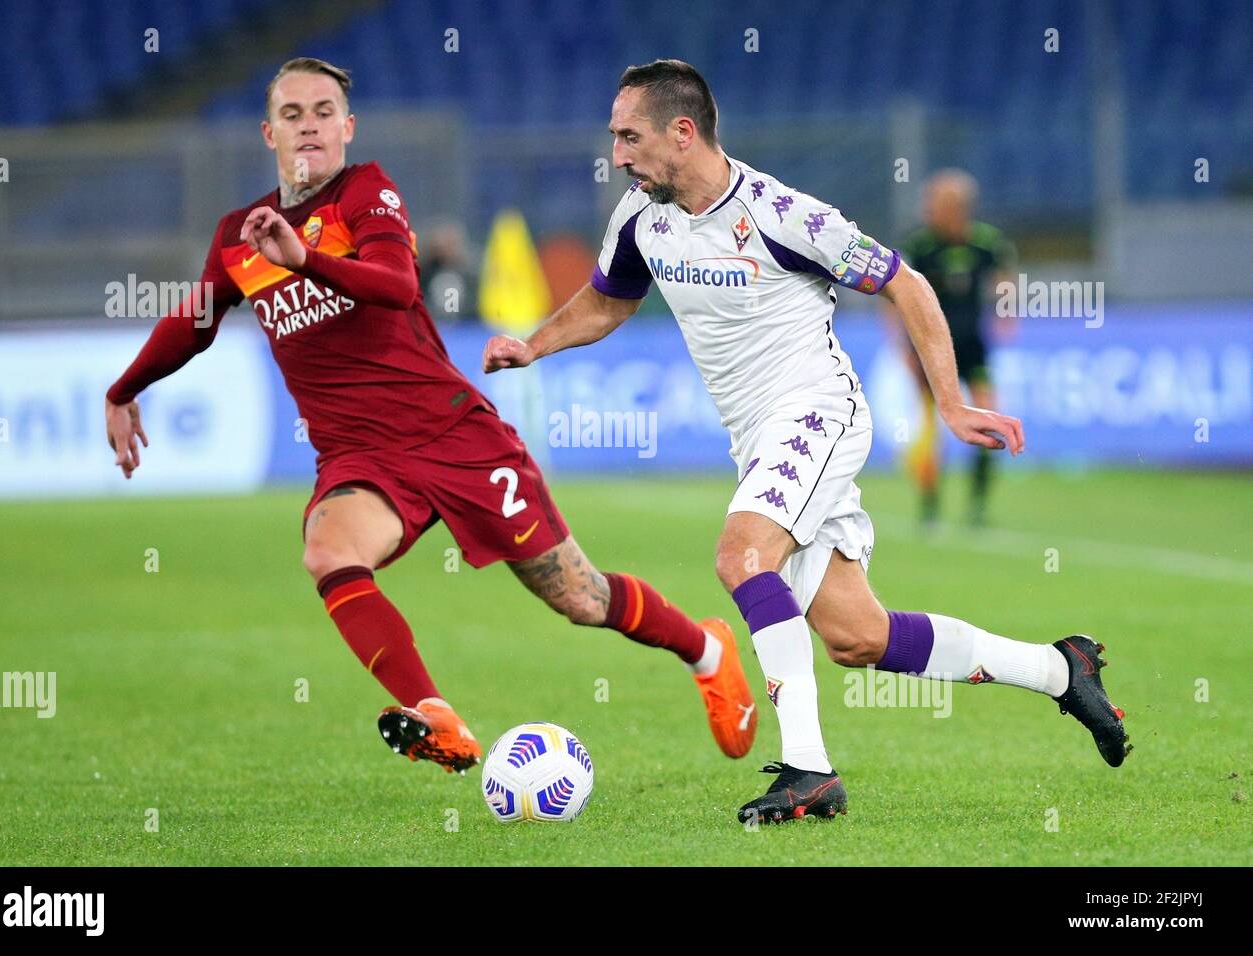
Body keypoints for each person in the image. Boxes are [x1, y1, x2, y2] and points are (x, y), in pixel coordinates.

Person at [484, 59, 1130, 824]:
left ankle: (808, 772)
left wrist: (950, 404)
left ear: (682, 133)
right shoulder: (639, 218)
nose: (618, 154)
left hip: (817, 412)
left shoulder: (783, 213)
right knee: (858, 637)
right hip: (755, 438)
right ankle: (1061, 669)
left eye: (630, 136)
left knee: (741, 555)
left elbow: (906, 282)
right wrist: (534, 344)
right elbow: (607, 301)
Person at [104, 57, 757, 776]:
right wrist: (124, 389)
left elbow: (395, 283)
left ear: (346, 127)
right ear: (270, 133)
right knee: (328, 550)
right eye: (293, 115)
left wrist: (306, 261)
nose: (310, 126)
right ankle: (436, 713)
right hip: (360, 458)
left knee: (580, 597)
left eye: (324, 112)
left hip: (454, 435)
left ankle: (705, 648)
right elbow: (196, 320)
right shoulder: (239, 235)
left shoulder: (365, 193)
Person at [897, 170, 1018, 525]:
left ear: (957, 208)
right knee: (930, 429)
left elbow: (1005, 274)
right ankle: (930, 504)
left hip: (971, 345)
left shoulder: (985, 242)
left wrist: (1006, 311)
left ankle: (977, 504)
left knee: (988, 416)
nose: (929, 210)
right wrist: (900, 342)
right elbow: (894, 296)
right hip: (928, 348)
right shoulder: (920, 246)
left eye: (935, 204)